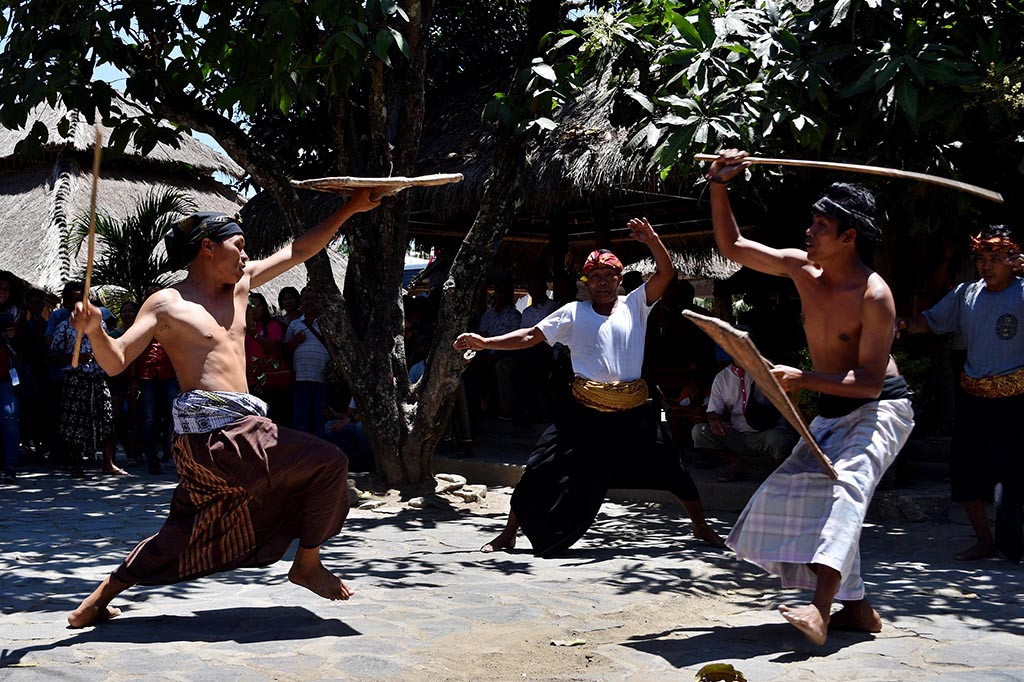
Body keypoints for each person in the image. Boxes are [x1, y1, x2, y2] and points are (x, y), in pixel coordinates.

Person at [66, 191, 380, 628]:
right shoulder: (166, 304)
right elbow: (116, 359)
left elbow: (301, 248)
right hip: (212, 436)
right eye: (239, 246)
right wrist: (96, 330)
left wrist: (349, 209)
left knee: (177, 534)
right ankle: (306, 563)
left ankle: (93, 603)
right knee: (329, 462)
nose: (245, 255)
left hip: (240, 431)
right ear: (207, 247)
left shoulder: (243, 283)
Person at [706, 150, 914, 646]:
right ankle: (859, 609)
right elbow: (731, 245)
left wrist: (801, 377)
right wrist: (719, 183)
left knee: (846, 490)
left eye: (822, 225)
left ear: (849, 237)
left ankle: (821, 610)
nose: (809, 231)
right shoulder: (802, 270)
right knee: (789, 494)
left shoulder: (874, 295)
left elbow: (867, 383)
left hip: (880, 407)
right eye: (813, 222)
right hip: (830, 407)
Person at [455, 219, 725, 556]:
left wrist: (653, 239)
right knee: (539, 467)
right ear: (587, 282)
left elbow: (666, 273)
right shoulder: (572, 313)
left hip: (633, 411)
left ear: (618, 279)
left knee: (673, 469)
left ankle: (701, 528)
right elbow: (529, 336)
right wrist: (485, 341)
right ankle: (508, 533)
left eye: (608, 276)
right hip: (582, 411)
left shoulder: (635, 304)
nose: (602, 282)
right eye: (595, 277)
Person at [898, 225, 1024, 563]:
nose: (987, 266)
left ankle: (1012, 545)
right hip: (973, 398)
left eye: (995, 258)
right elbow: (931, 320)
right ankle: (984, 541)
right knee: (966, 472)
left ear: (1012, 260)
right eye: (982, 259)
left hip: (1015, 400)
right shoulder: (966, 294)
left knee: (1015, 475)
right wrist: (904, 325)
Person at [691, 360, 795, 481]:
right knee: (700, 431)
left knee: (779, 439)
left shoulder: (767, 370)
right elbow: (713, 410)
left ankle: (775, 469)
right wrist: (714, 420)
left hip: (765, 432)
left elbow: (788, 401)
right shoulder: (722, 377)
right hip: (738, 433)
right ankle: (736, 462)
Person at [284, 286, 332, 437]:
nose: (309, 302)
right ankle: (302, 453)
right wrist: (296, 341)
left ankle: (322, 452)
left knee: (321, 417)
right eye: (306, 299)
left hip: (323, 377)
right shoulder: (294, 324)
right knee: (301, 418)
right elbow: (285, 350)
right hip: (301, 378)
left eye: (313, 299)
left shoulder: (327, 323)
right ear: (301, 303)